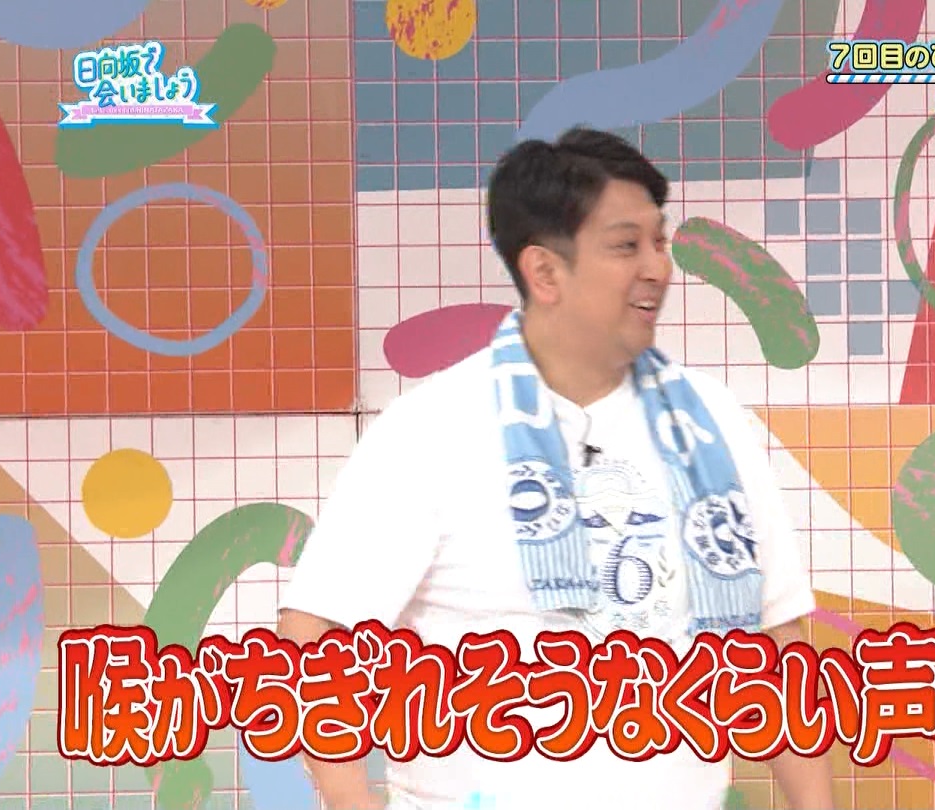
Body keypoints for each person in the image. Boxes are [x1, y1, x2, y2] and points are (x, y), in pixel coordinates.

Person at [277, 127, 834, 810]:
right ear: (544, 272)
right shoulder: (431, 428)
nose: (657, 268)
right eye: (626, 246)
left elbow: (775, 648)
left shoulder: (712, 421)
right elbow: (312, 640)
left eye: (659, 242)